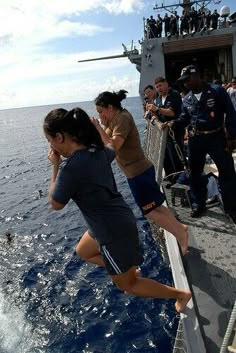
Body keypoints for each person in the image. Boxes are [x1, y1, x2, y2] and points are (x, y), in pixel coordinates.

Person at [43, 107, 191, 312]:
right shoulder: (96, 151)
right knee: (83, 251)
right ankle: (127, 269)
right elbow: (111, 145)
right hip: (115, 219)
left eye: (49, 140)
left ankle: (180, 295)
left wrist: (55, 165)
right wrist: (97, 127)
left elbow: (55, 204)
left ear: (59, 137)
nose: (50, 145)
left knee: (127, 286)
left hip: (111, 232)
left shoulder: (70, 169)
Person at [93, 90, 189, 255]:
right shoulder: (116, 119)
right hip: (138, 172)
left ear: (110, 108)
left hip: (138, 173)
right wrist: (102, 126)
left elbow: (113, 146)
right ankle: (180, 227)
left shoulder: (122, 119)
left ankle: (181, 235)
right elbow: (106, 139)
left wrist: (98, 127)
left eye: (101, 112)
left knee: (149, 211)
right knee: (156, 205)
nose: (101, 115)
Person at [168, 65, 236, 219]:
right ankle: (199, 203)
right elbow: (184, 118)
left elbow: (230, 113)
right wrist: (173, 123)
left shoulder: (217, 91)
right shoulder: (187, 99)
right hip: (195, 139)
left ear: (197, 76)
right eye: (183, 81)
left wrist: (232, 137)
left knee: (227, 173)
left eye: (187, 80)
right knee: (195, 174)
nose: (185, 83)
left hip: (216, 137)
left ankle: (232, 208)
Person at [146, 77, 186, 179]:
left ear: (166, 84)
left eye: (160, 85)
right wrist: (153, 114)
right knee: (166, 159)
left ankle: (181, 180)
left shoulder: (174, 95)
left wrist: (157, 109)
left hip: (175, 133)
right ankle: (171, 179)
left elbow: (171, 112)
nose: (159, 88)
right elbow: (155, 113)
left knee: (177, 159)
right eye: (157, 86)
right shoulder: (158, 99)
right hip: (164, 135)